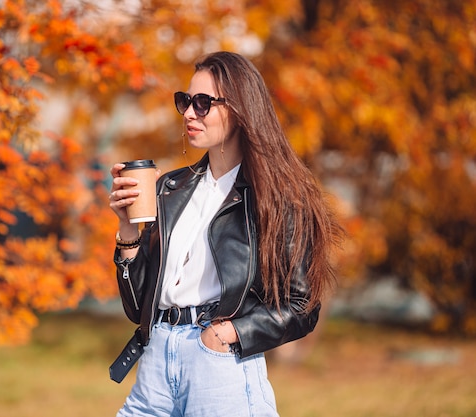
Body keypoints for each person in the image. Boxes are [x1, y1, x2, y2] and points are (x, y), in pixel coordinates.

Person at [108, 51, 341, 417]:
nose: (188, 113)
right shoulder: (170, 188)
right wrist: (126, 229)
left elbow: (302, 306)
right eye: (185, 101)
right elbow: (138, 306)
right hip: (156, 362)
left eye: (203, 103)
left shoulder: (278, 198)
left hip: (216, 364)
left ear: (239, 109)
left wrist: (227, 334)